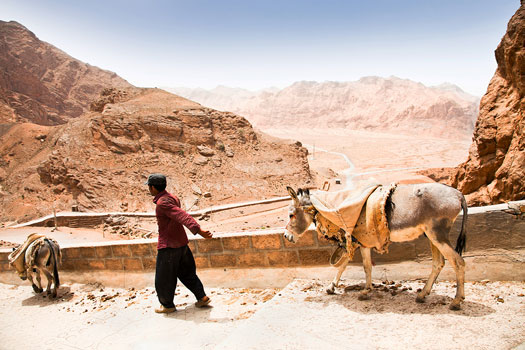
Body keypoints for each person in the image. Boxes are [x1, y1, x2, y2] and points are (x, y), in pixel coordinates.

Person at [145, 173, 213, 314]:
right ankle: (202, 297)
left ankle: (167, 305)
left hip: (168, 246)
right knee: (188, 273)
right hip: (181, 244)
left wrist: (198, 230)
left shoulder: (162, 202)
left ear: (153, 187)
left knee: (163, 279)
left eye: (149, 187)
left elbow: (181, 215)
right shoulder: (173, 197)